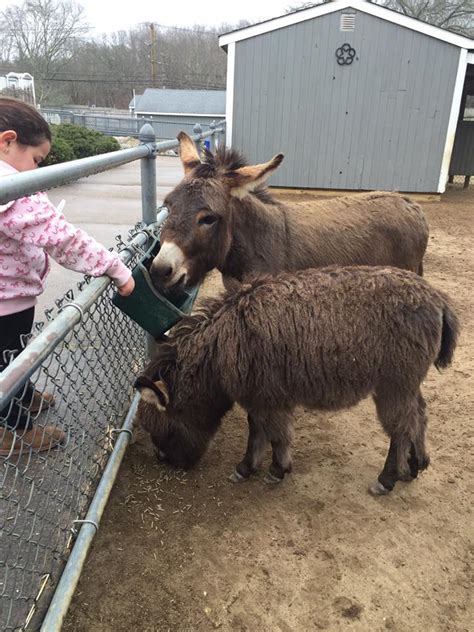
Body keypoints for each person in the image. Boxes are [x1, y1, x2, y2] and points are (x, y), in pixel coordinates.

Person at [0, 96, 135, 456]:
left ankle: (21, 396)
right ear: (7, 141)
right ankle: (14, 430)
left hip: (10, 295)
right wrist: (114, 267)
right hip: (5, 300)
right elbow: (63, 239)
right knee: (5, 361)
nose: (39, 170)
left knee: (13, 353)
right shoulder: (11, 190)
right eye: (37, 161)